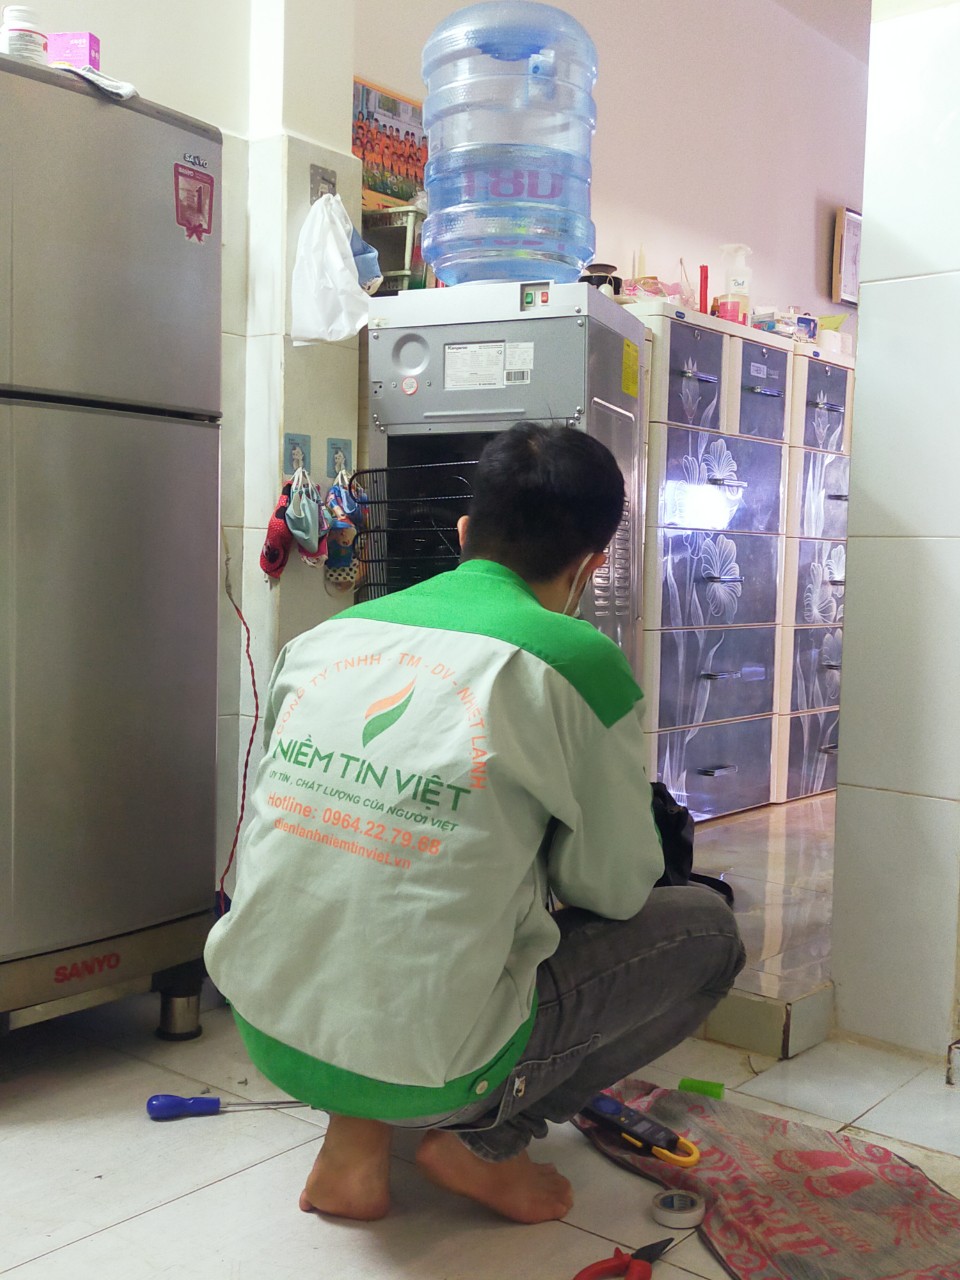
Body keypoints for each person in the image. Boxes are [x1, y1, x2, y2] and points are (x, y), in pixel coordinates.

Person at [204, 423, 745, 1227]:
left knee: (382, 871)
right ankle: (488, 1143)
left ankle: (352, 1148)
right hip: (430, 1065)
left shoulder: (329, 638)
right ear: (591, 567)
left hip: (267, 1024)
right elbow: (616, 888)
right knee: (706, 932)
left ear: (463, 534)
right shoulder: (574, 662)